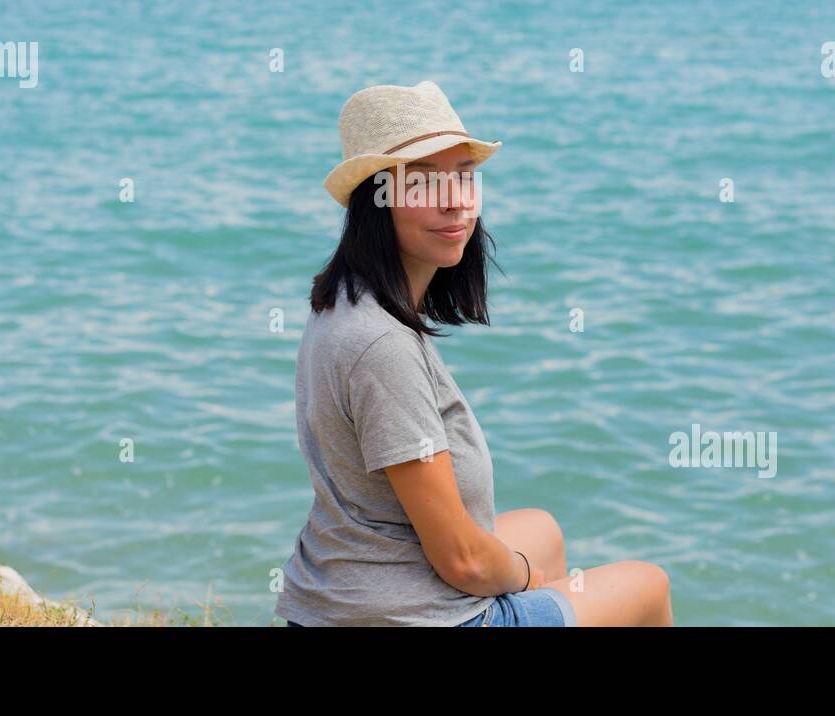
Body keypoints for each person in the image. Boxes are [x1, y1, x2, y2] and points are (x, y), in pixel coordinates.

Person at [273, 80, 673, 626]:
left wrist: (520, 569)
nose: (455, 199)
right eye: (422, 183)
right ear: (377, 201)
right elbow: (461, 561)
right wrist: (524, 579)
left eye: (463, 175)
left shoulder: (343, 300)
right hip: (398, 616)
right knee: (647, 587)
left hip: (333, 596)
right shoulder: (381, 345)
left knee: (541, 529)